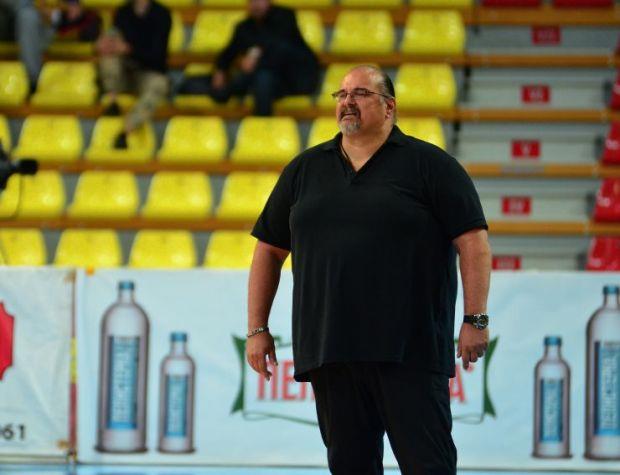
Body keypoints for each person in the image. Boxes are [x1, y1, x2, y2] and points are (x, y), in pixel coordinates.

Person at [246, 65, 492, 474]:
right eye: (341, 94)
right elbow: (268, 251)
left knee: (428, 466)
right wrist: (257, 329)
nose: (347, 102)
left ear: (389, 106)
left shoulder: (431, 165)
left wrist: (475, 318)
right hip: (331, 350)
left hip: (409, 351)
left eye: (360, 93)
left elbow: (474, 243)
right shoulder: (305, 170)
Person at [178, 0, 319, 116]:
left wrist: (255, 59)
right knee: (254, 77)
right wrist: (220, 70)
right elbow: (228, 53)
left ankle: (261, 126)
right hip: (256, 78)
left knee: (263, 78)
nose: (256, 4)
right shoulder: (244, 27)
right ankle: (222, 91)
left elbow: (280, 50)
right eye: (252, 1)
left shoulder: (285, 17)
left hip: (294, 80)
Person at [96, 0, 171, 149]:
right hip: (124, 72)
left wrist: (128, 49)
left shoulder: (162, 15)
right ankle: (112, 101)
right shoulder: (122, 12)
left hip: (148, 72)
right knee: (108, 59)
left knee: (160, 84)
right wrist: (105, 44)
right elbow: (113, 39)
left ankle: (126, 130)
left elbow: (158, 55)